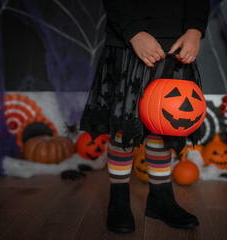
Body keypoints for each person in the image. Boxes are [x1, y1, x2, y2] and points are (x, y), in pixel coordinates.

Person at [80, 0, 210, 233]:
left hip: (176, 44)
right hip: (129, 42)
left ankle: (161, 199)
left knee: (165, 127)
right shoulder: (131, 35)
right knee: (123, 127)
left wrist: (194, 30)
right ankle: (118, 200)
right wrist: (134, 31)